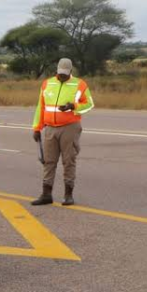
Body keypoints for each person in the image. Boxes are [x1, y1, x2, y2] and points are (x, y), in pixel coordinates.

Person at [31, 58, 94, 206]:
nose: (62, 76)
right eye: (60, 73)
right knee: (48, 161)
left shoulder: (80, 84)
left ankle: (68, 195)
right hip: (50, 128)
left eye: (65, 74)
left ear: (71, 72)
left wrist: (73, 106)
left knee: (68, 161)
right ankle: (46, 194)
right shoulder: (47, 84)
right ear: (56, 70)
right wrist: (36, 127)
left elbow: (89, 104)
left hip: (70, 127)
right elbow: (41, 107)